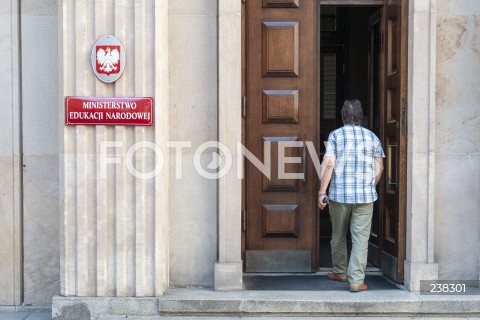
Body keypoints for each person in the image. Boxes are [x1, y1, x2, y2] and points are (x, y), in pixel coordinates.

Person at [318, 99, 385, 292]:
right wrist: (370, 186)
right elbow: (379, 167)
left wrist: (322, 192)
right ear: (361, 116)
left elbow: (329, 164)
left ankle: (340, 272)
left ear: (342, 116)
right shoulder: (372, 136)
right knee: (360, 239)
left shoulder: (335, 136)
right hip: (365, 197)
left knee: (338, 235)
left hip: (339, 195)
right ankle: (356, 281)